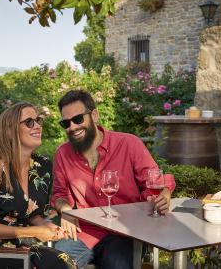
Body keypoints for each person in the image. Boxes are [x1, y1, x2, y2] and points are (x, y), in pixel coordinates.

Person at [52, 90, 176, 269]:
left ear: (94, 115)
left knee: (117, 265)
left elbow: (156, 181)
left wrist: (164, 193)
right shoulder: (63, 154)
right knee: (55, 263)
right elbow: (59, 193)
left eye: (78, 119)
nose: (72, 127)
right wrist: (65, 210)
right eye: (66, 123)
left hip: (125, 232)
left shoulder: (129, 144)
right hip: (85, 231)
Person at [0, 102, 77, 269]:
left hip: (22, 244)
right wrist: (34, 232)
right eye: (29, 122)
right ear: (10, 130)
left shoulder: (42, 166)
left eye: (38, 120)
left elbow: (32, 215)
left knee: (64, 262)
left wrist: (46, 226)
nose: (37, 126)